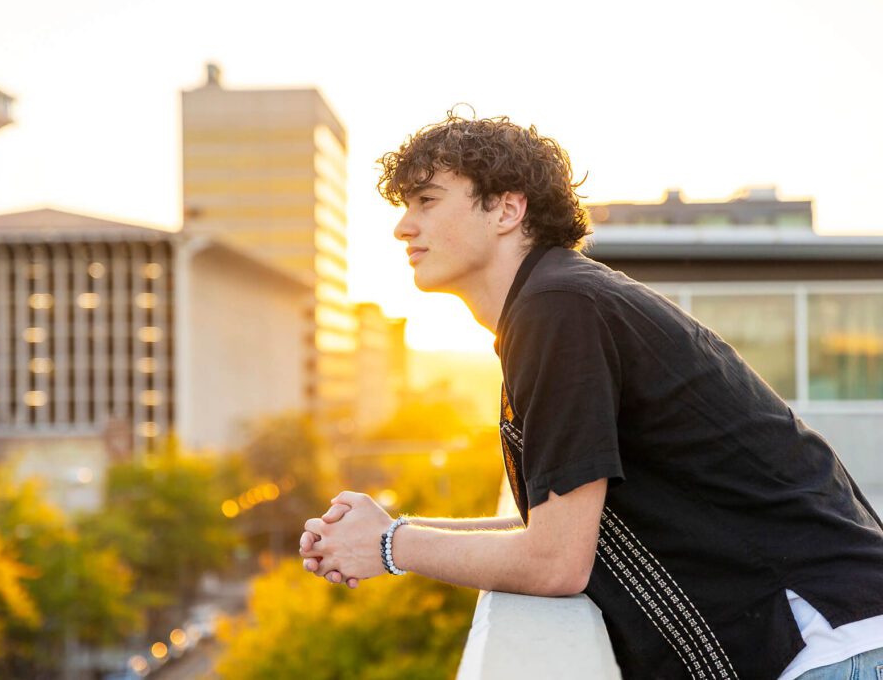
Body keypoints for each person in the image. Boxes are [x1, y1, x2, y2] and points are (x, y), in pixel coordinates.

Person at [296, 111, 883, 679]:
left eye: (427, 201)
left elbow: (555, 562)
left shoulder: (558, 310)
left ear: (507, 208)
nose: (404, 226)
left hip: (830, 644)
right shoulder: (559, 303)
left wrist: (392, 546)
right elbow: (561, 527)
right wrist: (391, 529)